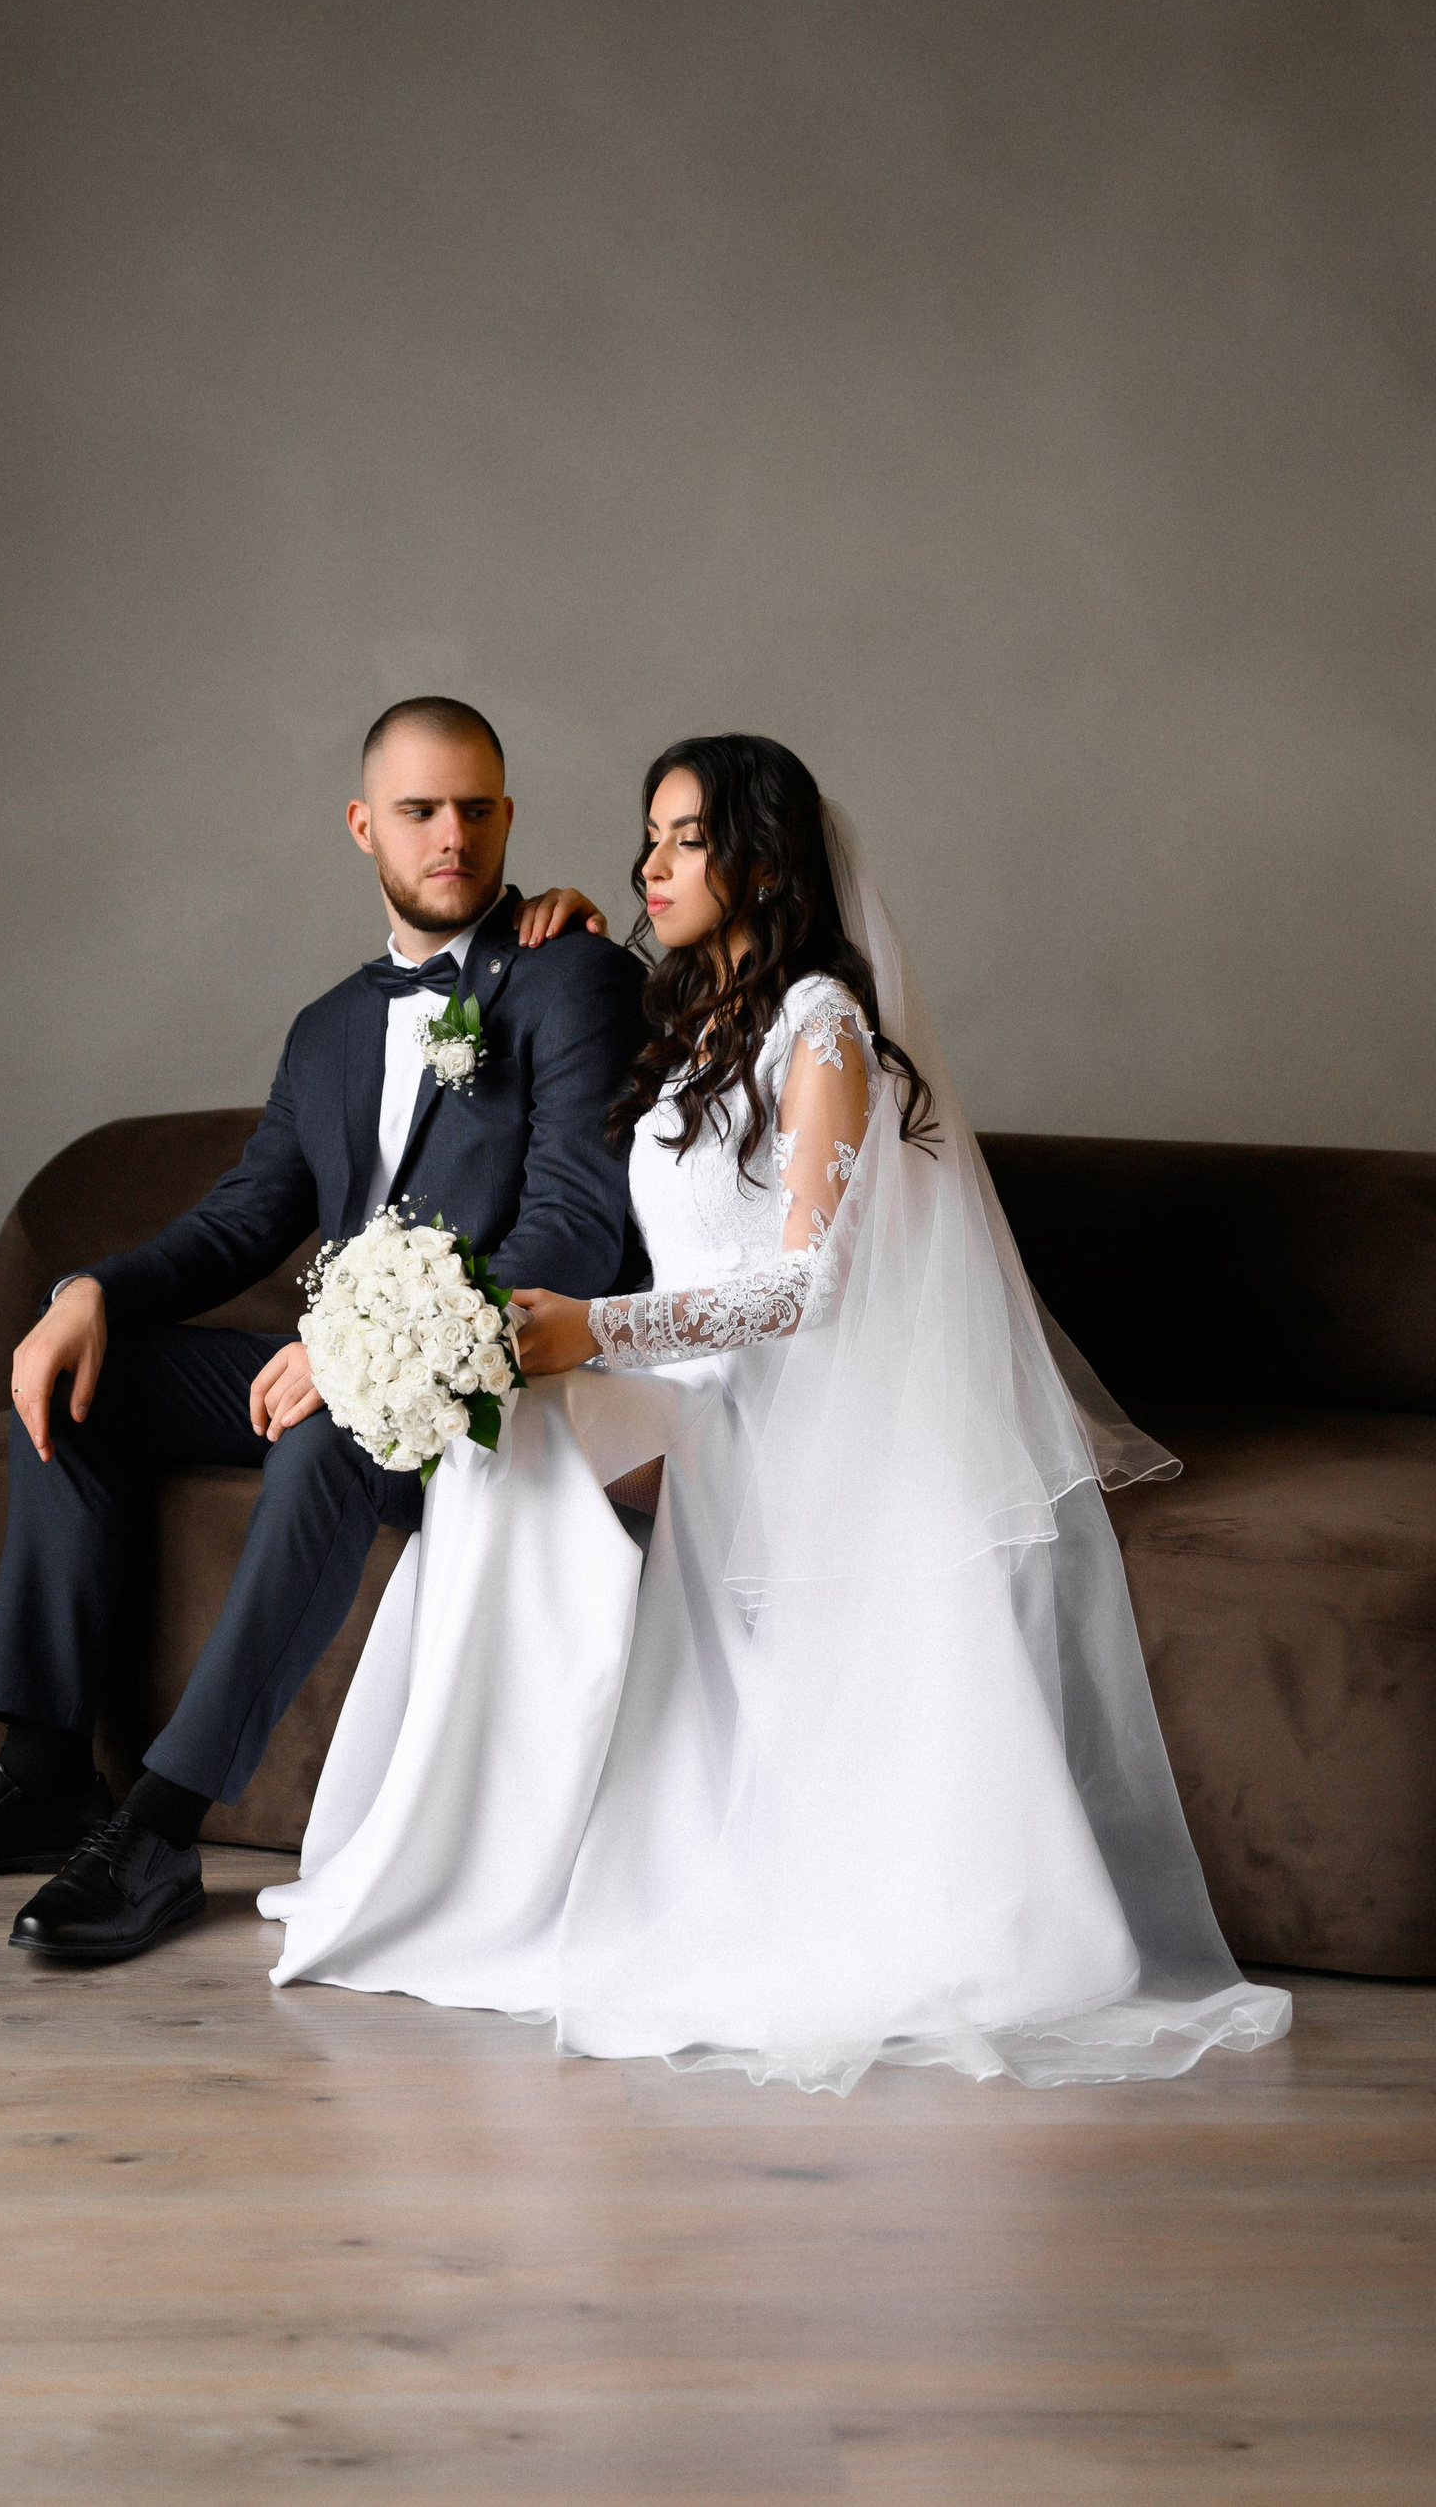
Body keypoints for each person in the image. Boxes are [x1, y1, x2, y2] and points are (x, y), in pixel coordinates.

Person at [261, 735, 1293, 2093]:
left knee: (534, 1424)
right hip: (687, 1391)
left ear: (759, 862)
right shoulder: (699, 1019)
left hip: (780, 1400)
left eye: (686, 838)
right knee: (496, 1438)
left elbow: (810, 1285)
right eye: (650, 836)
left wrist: (596, 1329)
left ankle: (541, 1854)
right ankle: (460, 1847)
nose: (653, 863)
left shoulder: (823, 1026)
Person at [0, 697, 644, 1960]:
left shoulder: (569, 975)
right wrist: (89, 1293)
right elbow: (246, 1216)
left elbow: (575, 1230)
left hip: (494, 1389)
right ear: (363, 825)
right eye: (420, 810)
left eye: (476, 808)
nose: (452, 836)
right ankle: (42, 1774)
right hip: (354, 1365)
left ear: (508, 817)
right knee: (89, 1379)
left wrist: (361, 1354)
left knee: (329, 1435)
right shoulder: (328, 1029)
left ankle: (159, 1830)